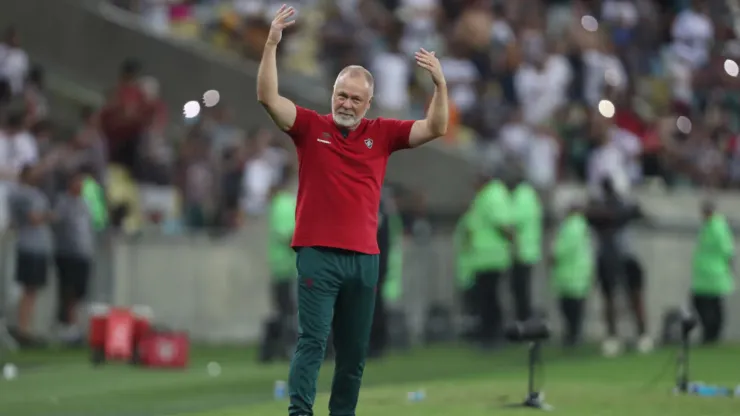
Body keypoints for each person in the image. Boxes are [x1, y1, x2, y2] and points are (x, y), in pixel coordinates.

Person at [256, 5, 448, 416]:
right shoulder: (310, 127)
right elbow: (268, 98)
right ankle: (300, 413)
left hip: (364, 258)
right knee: (312, 341)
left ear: (368, 102)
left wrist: (439, 86)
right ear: (332, 93)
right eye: (341, 94)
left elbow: (436, 128)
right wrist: (272, 44)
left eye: (355, 98)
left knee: (354, 352)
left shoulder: (382, 134)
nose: (346, 103)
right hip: (317, 255)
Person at [585, 176, 652, 356]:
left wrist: (618, 214)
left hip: (626, 256)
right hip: (607, 257)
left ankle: (642, 334)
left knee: (634, 296)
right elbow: (593, 215)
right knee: (609, 299)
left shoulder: (624, 208)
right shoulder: (601, 210)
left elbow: (640, 214)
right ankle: (613, 336)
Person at [8, 164, 53, 347]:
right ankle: (23, 329)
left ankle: (26, 329)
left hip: (36, 246)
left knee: (32, 289)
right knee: (28, 288)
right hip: (29, 245)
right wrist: (49, 216)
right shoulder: (23, 194)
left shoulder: (32, 193)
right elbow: (33, 218)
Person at [467, 171, 512, 347]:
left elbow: (502, 224)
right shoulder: (488, 195)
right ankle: (489, 334)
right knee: (487, 298)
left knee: (489, 298)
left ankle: (492, 336)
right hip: (485, 256)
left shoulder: (492, 195)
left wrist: (513, 242)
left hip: (491, 256)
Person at [52, 170, 95, 346]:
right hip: (67, 253)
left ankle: (75, 327)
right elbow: (56, 222)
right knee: (68, 290)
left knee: (80, 291)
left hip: (83, 252)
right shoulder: (63, 202)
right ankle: (67, 326)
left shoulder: (85, 204)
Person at [691, 200, 734, 344]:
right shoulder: (709, 226)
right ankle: (711, 334)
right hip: (705, 274)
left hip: (713, 272)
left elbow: (727, 250)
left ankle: (712, 334)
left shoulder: (717, 227)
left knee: (710, 305)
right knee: (707, 304)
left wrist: (729, 269)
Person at [551, 204, 594, 347]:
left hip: (570, 273)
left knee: (570, 307)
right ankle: (574, 334)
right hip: (578, 272)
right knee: (576, 307)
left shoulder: (572, 226)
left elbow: (564, 248)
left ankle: (572, 336)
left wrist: (553, 256)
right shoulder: (582, 226)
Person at [509, 172, 543, 322]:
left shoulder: (521, 196)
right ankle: (525, 319)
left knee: (520, 290)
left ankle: (524, 321)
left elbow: (513, 220)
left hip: (521, 249)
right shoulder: (532, 196)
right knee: (523, 289)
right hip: (530, 248)